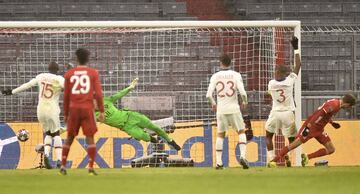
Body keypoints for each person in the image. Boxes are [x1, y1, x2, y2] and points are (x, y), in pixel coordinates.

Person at [2, 62, 64, 169]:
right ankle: (59, 159)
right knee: (56, 133)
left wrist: (12, 91)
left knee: (48, 133)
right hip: (52, 109)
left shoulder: (41, 76)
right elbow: (67, 88)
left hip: (40, 109)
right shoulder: (59, 79)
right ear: (57, 70)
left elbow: (27, 85)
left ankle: (46, 155)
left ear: (48, 69)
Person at [268, 94, 357, 167]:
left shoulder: (336, 104)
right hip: (312, 127)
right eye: (350, 106)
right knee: (294, 145)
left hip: (319, 129)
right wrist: (308, 127)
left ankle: (307, 157)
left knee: (331, 149)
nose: (349, 108)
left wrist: (332, 123)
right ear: (348, 104)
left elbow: (326, 115)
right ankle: (273, 161)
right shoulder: (334, 105)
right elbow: (318, 114)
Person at [94, 78, 181, 150]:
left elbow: (119, 94)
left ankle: (170, 141)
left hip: (131, 116)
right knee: (143, 136)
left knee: (155, 127)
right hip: (126, 127)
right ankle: (152, 139)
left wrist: (130, 87)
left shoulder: (107, 100)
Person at [60, 48, 105, 175]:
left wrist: (66, 113)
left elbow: (66, 96)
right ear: (88, 58)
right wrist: (101, 110)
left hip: (73, 108)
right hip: (87, 108)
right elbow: (99, 94)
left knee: (69, 137)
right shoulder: (93, 73)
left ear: (76, 58)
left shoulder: (69, 74)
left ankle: (63, 166)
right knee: (90, 137)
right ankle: (90, 167)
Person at [206, 54, 249, 169]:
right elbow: (243, 92)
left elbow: (209, 95)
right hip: (234, 108)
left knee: (220, 134)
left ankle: (219, 163)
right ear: (231, 62)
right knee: (241, 131)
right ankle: (243, 157)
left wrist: (214, 104)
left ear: (220, 63)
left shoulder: (215, 76)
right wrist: (244, 101)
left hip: (221, 110)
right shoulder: (236, 75)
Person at [265, 36, 301, 167]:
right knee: (291, 139)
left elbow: (269, 94)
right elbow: (298, 65)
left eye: (276, 71)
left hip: (275, 113)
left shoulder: (271, 83)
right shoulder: (290, 80)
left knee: (269, 136)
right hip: (288, 113)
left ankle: (272, 159)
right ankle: (287, 157)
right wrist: (296, 48)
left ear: (278, 72)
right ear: (286, 73)